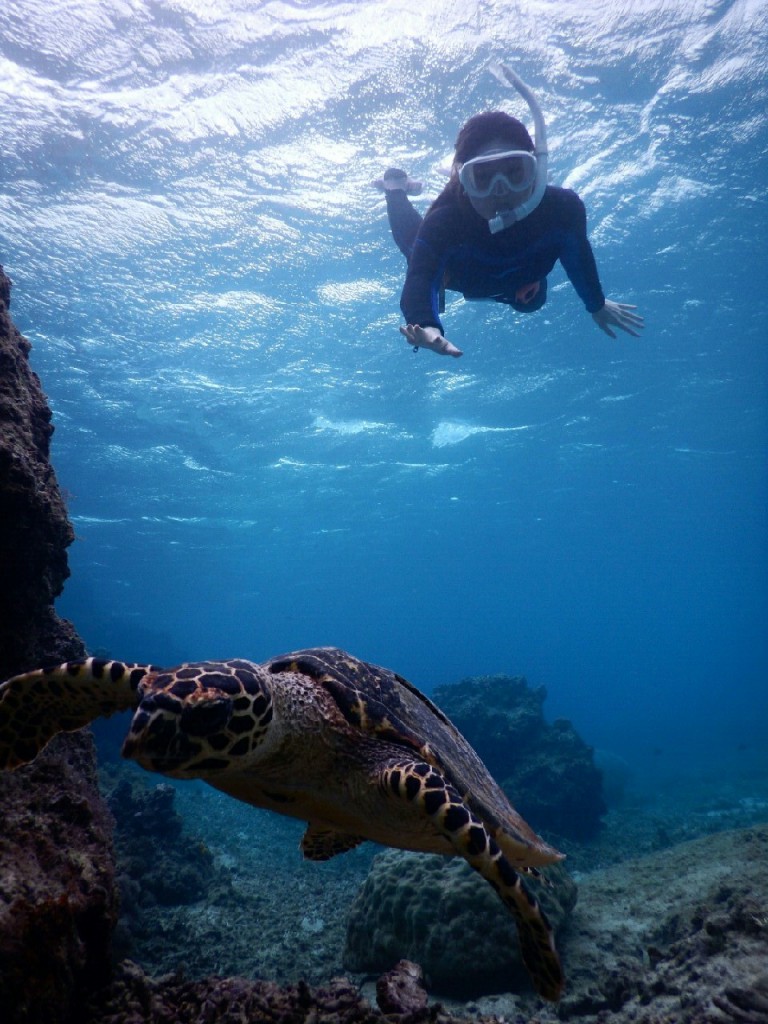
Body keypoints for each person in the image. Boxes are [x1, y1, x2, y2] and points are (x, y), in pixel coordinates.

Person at [373, 65, 644, 358]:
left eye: (514, 172)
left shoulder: (562, 210)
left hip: (501, 277)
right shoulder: (445, 223)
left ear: (536, 169)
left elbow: (579, 259)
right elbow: (420, 278)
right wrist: (426, 325)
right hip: (458, 274)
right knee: (413, 249)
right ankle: (395, 187)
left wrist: (597, 303)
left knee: (533, 303)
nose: (500, 190)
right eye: (483, 178)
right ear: (464, 182)